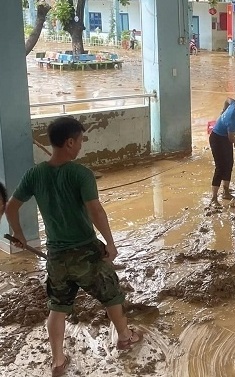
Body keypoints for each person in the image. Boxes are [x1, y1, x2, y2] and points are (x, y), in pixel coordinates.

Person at [4, 117, 143, 377]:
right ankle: (125, 336)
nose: (81, 145)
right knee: (111, 291)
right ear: (70, 142)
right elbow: (96, 211)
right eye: (80, 140)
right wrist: (110, 243)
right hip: (85, 251)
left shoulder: (34, 174)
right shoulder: (81, 174)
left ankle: (58, 361)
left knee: (57, 307)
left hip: (56, 255)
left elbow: (11, 207)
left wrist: (19, 235)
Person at [209, 97, 235, 206]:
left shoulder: (233, 104)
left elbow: (228, 99)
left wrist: (224, 109)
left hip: (225, 138)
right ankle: (214, 198)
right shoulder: (232, 119)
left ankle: (226, 192)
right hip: (217, 138)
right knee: (220, 167)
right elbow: (231, 137)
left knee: (229, 164)